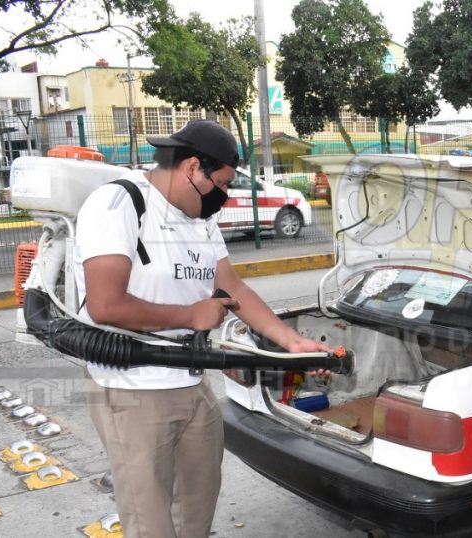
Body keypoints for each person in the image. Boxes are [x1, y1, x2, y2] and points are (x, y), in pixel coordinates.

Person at [73, 120, 330, 537]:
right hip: (132, 390)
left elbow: (233, 287)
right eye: (224, 184)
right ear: (193, 168)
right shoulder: (118, 204)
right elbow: (105, 305)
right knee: (150, 520)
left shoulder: (199, 218)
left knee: (198, 504)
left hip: (191, 382)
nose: (225, 197)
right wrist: (191, 315)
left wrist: (290, 341)